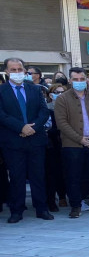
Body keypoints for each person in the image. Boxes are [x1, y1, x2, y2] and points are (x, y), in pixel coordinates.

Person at [53, 67, 89, 218]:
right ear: (70, 80)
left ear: (86, 80)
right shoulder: (62, 99)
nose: (79, 82)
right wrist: (80, 139)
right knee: (73, 176)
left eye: (82, 79)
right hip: (72, 145)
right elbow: (61, 123)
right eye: (76, 79)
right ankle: (76, 206)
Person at [0, 57, 52, 222]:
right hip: (13, 141)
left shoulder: (35, 89)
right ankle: (16, 211)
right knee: (17, 177)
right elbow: (2, 115)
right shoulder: (1, 91)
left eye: (19, 69)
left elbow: (44, 112)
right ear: (7, 72)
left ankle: (41, 209)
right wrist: (21, 127)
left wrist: (32, 128)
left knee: (38, 176)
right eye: (13, 70)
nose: (17, 72)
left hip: (35, 140)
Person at [44, 82, 68, 212]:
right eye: (57, 92)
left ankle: (63, 196)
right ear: (50, 95)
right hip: (52, 146)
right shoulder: (46, 108)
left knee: (64, 172)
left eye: (62, 92)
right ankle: (52, 200)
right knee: (53, 173)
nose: (60, 95)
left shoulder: (69, 107)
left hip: (68, 143)